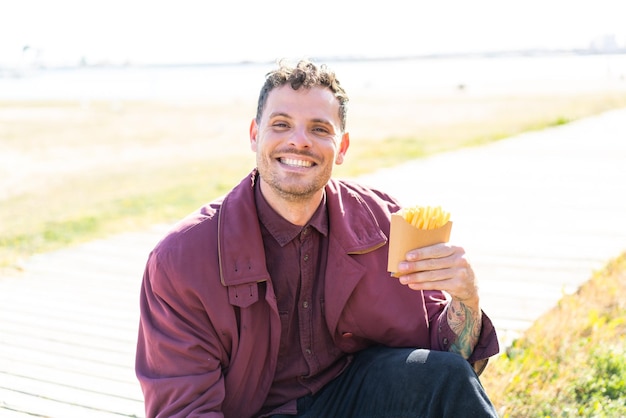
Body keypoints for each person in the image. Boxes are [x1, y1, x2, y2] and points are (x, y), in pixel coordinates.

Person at [135, 59, 500, 418]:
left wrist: (466, 297)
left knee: (446, 377)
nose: (299, 141)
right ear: (254, 135)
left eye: (319, 129)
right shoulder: (180, 259)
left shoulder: (387, 224)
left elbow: (446, 352)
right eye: (281, 124)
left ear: (341, 148)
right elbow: (183, 409)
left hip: (353, 393)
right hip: (258, 412)